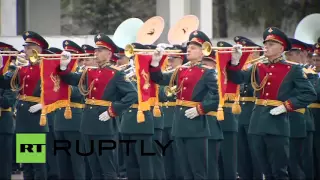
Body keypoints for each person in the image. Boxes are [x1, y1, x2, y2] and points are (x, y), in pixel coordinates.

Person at [227, 27, 317, 179]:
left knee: (279, 171)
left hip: (277, 124)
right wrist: (235, 62)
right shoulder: (257, 67)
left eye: (271, 44)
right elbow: (238, 79)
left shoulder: (292, 69)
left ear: (281, 48)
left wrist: (286, 106)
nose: (266, 47)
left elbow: (309, 93)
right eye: (265, 44)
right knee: (265, 170)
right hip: (256, 123)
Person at [58, 33, 137, 179]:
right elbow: (70, 79)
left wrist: (113, 110)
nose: (96, 53)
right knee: (93, 167)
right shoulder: (89, 72)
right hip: (87, 123)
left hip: (105, 124)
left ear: (109, 54)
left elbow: (132, 94)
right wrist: (64, 65)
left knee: (107, 167)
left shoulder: (116, 74)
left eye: (100, 50)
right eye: (96, 50)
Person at [150, 30, 220, 179]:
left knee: (198, 170)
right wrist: (155, 63)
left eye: (194, 47)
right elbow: (160, 79)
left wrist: (201, 108)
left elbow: (218, 94)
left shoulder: (207, 72)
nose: (189, 49)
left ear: (203, 52)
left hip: (196, 126)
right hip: (179, 125)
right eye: (188, 47)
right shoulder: (181, 70)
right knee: (184, 170)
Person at [53, 41, 86, 180]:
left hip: (74, 120)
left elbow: (81, 93)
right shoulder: (57, 72)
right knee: (62, 162)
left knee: (77, 161)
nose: (66, 56)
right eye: (65, 53)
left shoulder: (83, 73)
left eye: (70, 54)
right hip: (59, 120)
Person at [233, 36, 263, 180]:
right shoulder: (240, 70)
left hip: (253, 113)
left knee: (255, 155)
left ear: (257, 52)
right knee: (242, 156)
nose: (244, 53)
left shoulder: (259, 68)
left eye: (247, 51)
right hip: (239, 115)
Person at [216, 41, 239, 180]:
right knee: (216, 163)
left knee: (229, 163)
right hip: (213, 122)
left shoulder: (229, 74)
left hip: (228, 121)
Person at [201, 51, 224, 180]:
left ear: (214, 65)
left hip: (211, 125)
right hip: (197, 126)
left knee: (210, 165)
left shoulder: (216, 80)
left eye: (206, 64)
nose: (203, 66)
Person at [0, 43, 17, 180]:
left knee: (37, 164)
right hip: (23, 123)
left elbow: (7, 101)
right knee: (29, 167)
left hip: (35, 124)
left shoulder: (13, 77)